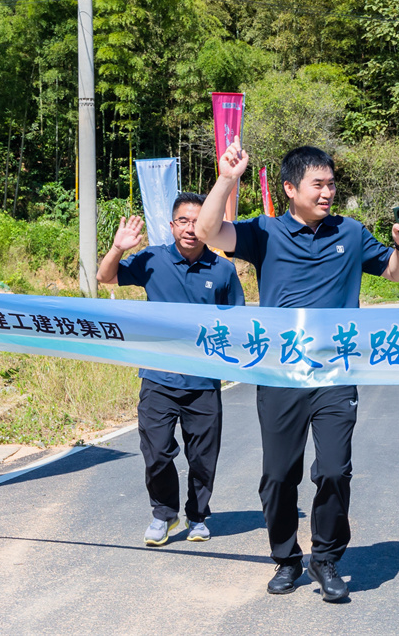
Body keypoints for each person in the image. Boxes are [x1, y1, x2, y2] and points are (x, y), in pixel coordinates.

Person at [195, 138, 399, 601]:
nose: (327, 193)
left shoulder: (351, 233)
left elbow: (396, 273)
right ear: (290, 188)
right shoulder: (265, 232)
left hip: (336, 374)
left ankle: (325, 557)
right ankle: (286, 558)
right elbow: (208, 231)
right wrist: (226, 179)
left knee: (335, 470)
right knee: (279, 475)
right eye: (318, 184)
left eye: (331, 184)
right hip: (281, 374)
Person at [96, 193, 245, 546]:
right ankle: (164, 514)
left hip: (203, 380)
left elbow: (237, 321)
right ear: (172, 225)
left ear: (208, 225)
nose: (190, 229)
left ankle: (197, 516)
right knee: (157, 451)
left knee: (203, 457)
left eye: (197, 222)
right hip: (157, 376)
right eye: (183, 221)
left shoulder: (222, 269)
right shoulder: (152, 259)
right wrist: (117, 248)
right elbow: (106, 277)